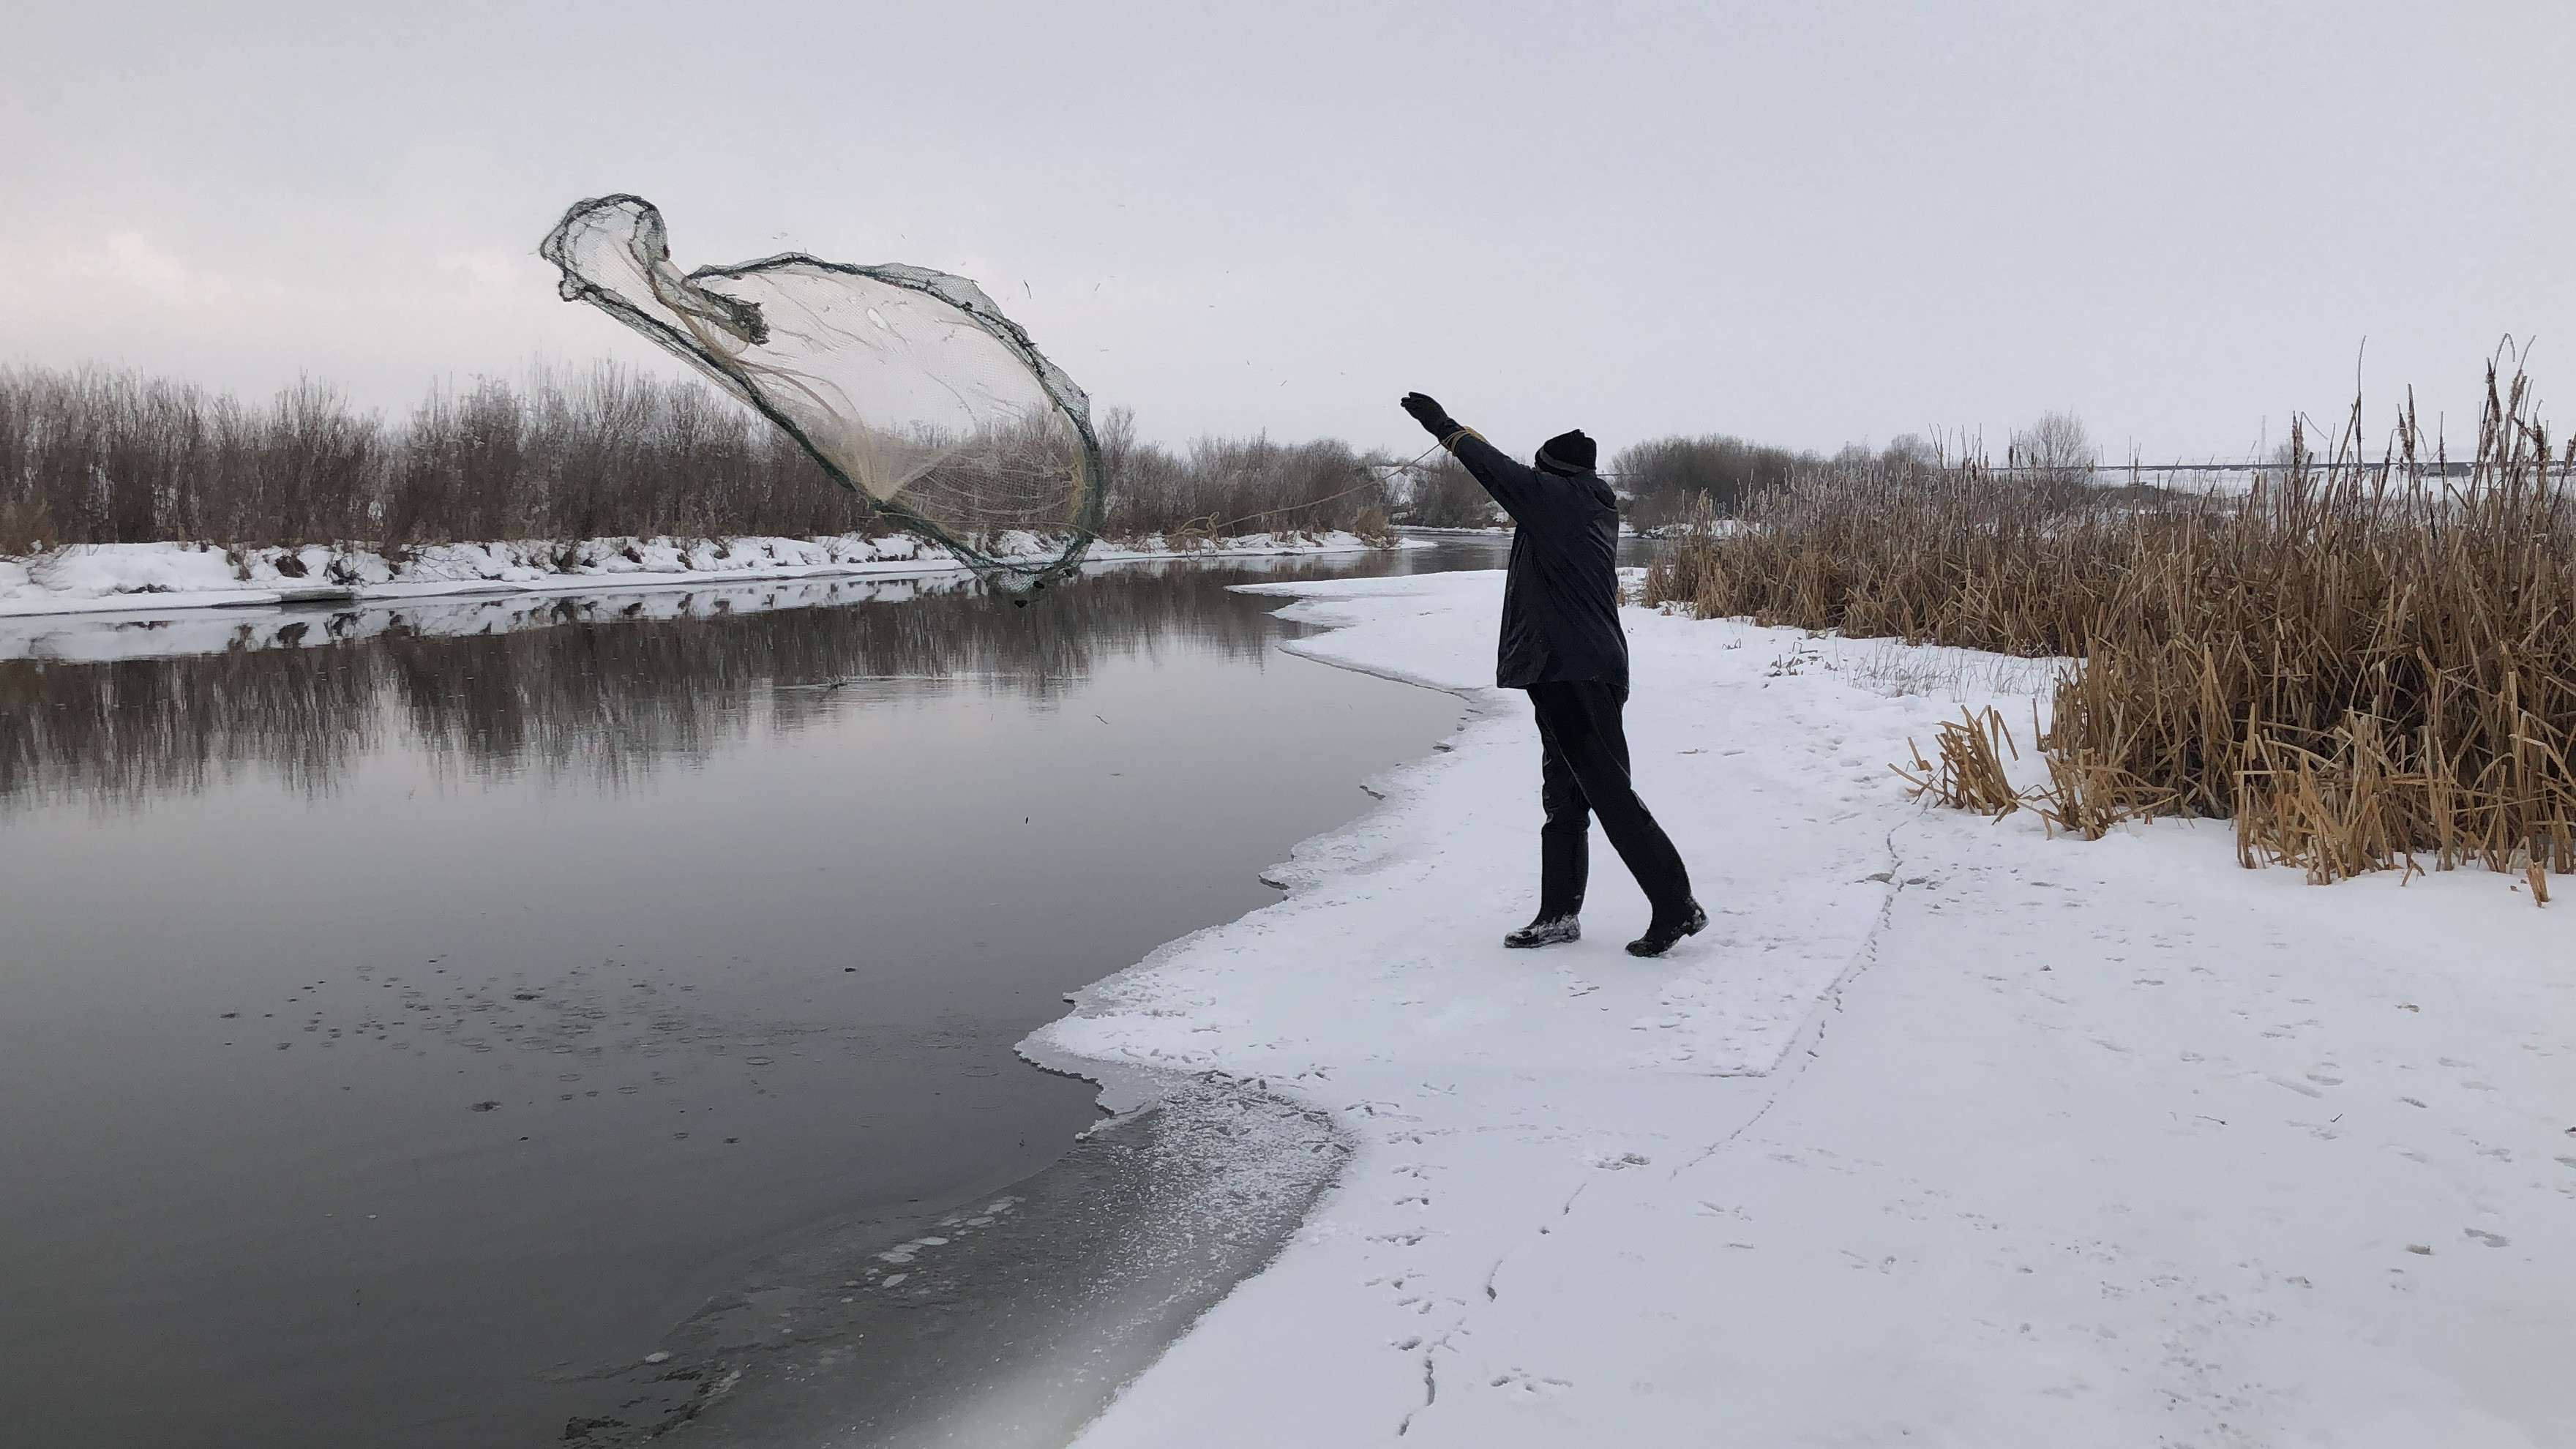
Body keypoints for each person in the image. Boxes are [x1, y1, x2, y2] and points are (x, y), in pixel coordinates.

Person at [1399, 392, 1706, 958]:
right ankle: (1559, 914)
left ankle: (1676, 904)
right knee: (1564, 797)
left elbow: (1494, 469)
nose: (1531, 477)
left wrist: (1442, 426)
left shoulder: (1560, 500)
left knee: (1608, 794)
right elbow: (1513, 475)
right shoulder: (1584, 502)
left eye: (1538, 469)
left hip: (1576, 670)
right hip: (1572, 667)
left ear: (1551, 472)